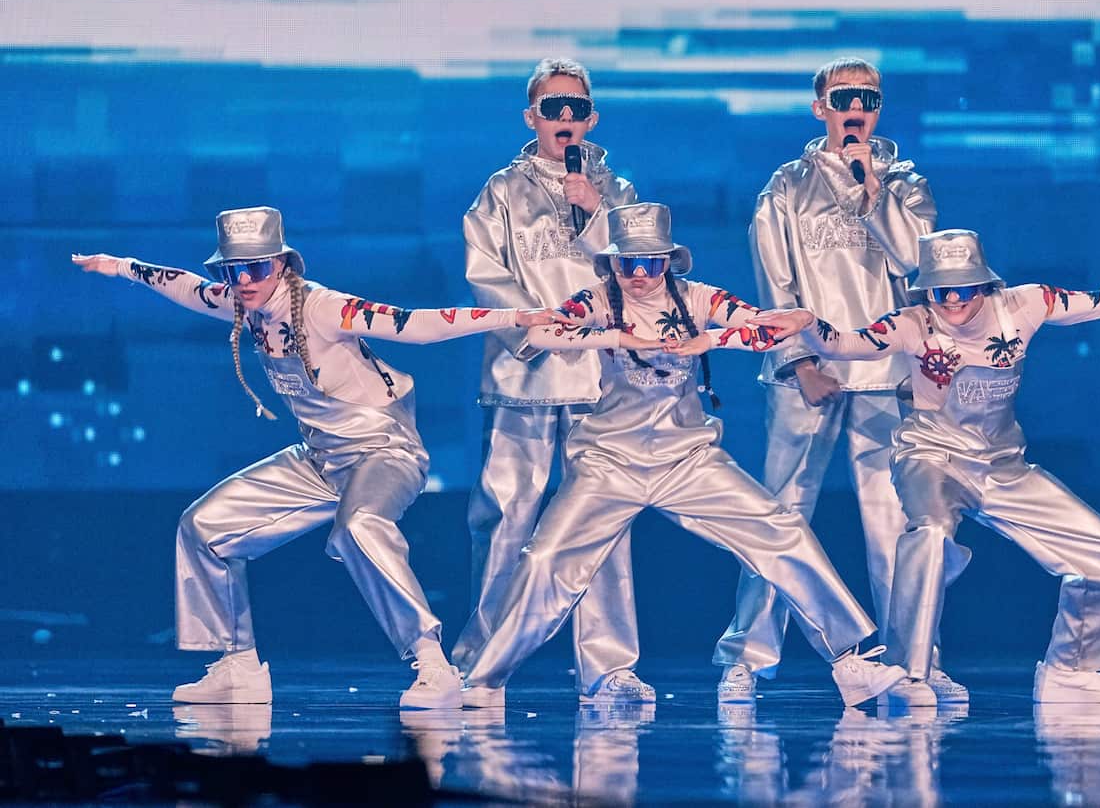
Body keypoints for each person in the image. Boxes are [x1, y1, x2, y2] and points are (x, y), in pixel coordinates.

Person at [696, 229, 1100, 704]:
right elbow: (845, 344)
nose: (951, 301)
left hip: (1004, 467)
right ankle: (907, 672)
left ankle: (1070, 671)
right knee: (931, 533)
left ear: (984, 282)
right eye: (940, 291)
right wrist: (795, 329)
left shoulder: (1027, 305)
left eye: (962, 289)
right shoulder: (913, 323)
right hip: (931, 455)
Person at [71, 206, 562, 709]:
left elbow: (416, 325)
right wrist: (121, 265)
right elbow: (182, 285)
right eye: (232, 271)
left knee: (360, 527)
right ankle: (236, 664)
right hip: (320, 459)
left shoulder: (323, 307)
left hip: (383, 450)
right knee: (204, 527)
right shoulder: (243, 305)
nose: (242, 281)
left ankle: (433, 664)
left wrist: (513, 316)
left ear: (282, 265)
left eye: (255, 268)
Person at [458, 202, 908, 709]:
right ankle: (485, 680)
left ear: (669, 261)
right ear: (611, 264)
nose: (640, 275)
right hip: (609, 462)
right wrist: (621, 336)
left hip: (688, 459)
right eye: (628, 263)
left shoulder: (697, 297)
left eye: (651, 262)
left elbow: (765, 327)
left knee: (784, 532)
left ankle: (849, 661)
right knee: (544, 560)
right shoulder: (597, 301)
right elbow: (542, 332)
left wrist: (724, 336)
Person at [714, 56, 959, 707]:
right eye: (844, 96)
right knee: (780, 512)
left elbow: (921, 264)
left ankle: (916, 661)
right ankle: (748, 656)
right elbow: (775, 283)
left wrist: (875, 192)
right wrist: (798, 360)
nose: (857, 107)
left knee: (895, 521)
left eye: (869, 98)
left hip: (889, 372)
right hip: (811, 371)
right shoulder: (786, 186)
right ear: (819, 105)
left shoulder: (904, 181)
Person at [452, 58, 653, 703]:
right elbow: (483, 270)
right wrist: (532, 329)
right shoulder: (500, 191)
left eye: (575, 108)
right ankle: (482, 654)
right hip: (524, 373)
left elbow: (643, 269)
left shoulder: (617, 189)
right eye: (551, 108)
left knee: (603, 517)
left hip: (603, 376)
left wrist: (596, 211)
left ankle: (609, 664)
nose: (564, 119)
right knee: (507, 511)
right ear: (531, 117)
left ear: (591, 117)